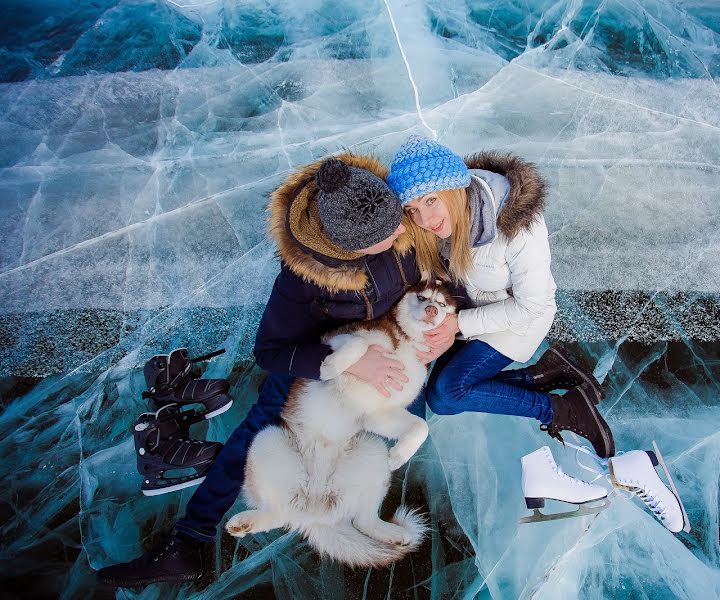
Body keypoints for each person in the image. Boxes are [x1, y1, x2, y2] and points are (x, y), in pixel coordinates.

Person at [96, 153, 453, 587]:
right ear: (349, 249)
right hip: (323, 352)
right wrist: (351, 360)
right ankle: (187, 542)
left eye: (398, 220)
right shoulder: (303, 280)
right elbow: (269, 350)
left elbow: (446, 271)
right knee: (262, 424)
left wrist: (451, 325)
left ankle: (356, 503)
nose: (403, 230)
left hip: (389, 335)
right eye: (387, 233)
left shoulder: (394, 216)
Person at [386, 136, 615, 458]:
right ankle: (546, 373)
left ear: (453, 188)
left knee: (448, 394)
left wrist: (457, 325)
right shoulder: (434, 224)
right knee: (439, 397)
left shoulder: (518, 224)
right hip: (468, 310)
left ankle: (562, 410)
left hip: (516, 319)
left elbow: (531, 304)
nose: (424, 219)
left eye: (430, 201)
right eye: (412, 209)